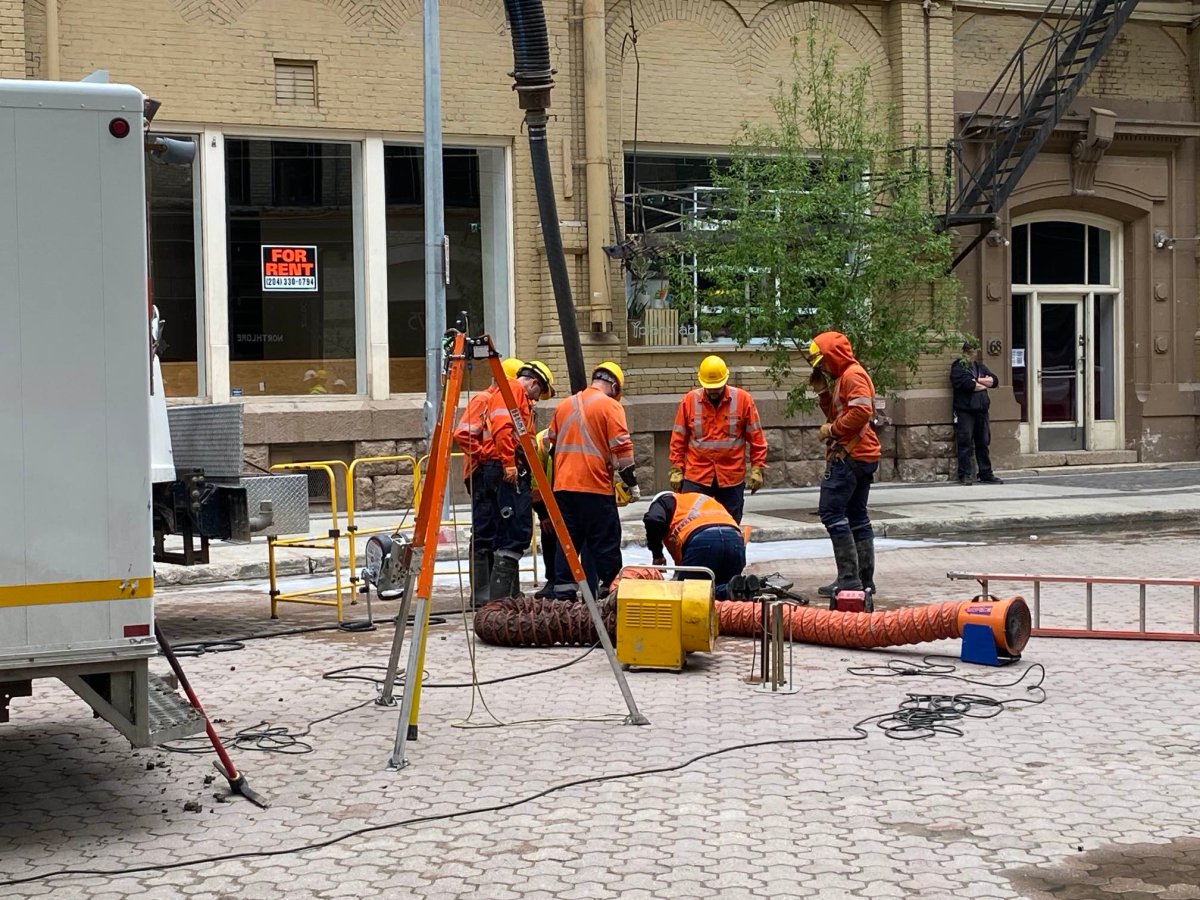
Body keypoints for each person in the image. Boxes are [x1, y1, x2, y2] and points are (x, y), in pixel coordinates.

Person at [452, 357, 550, 605]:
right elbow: (494, 430)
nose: (536, 400)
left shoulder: (500, 396)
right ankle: (497, 596)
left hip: (489, 468)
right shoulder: (500, 395)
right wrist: (500, 459)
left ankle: (493, 595)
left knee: (494, 531)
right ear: (532, 381)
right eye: (539, 391)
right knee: (510, 530)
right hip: (492, 469)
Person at [546, 362, 638, 600]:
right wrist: (632, 484)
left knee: (567, 544)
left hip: (563, 486)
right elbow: (623, 450)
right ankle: (612, 593)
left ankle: (563, 601)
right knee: (604, 543)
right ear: (614, 385)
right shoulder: (610, 407)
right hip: (594, 487)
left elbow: (550, 441)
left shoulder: (564, 405)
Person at [806, 332, 881, 600]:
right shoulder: (844, 377)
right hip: (860, 455)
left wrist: (831, 430)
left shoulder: (852, 376)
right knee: (857, 517)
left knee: (832, 514)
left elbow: (861, 413)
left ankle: (850, 580)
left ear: (832, 356)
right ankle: (863, 580)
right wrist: (823, 392)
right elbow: (839, 411)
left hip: (850, 456)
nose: (821, 367)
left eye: (822, 362)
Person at [668, 355, 768, 523]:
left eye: (717, 386)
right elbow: (678, 439)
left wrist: (757, 468)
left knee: (730, 524)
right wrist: (677, 468)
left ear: (725, 380)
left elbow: (756, 437)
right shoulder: (689, 401)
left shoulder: (743, 400)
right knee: (692, 523)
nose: (713, 390)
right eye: (709, 387)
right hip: (697, 476)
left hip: (730, 477)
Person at [643, 491, 746, 598]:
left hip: (703, 540)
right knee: (728, 597)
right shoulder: (699, 499)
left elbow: (653, 519)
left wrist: (657, 554)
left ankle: (727, 591)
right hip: (735, 541)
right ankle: (738, 589)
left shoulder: (665, 501)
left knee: (688, 595)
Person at [951, 340, 1002, 486]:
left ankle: (986, 473)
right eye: (971, 351)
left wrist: (978, 380)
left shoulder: (979, 367)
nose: (973, 354)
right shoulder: (958, 367)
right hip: (965, 411)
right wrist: (981, 383)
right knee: (965, 442)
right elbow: (968, 385)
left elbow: (994, 381)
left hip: (981, 410)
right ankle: (965, 474)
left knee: (983, 442)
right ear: (965, 352)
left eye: (974, 351)